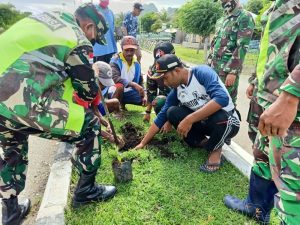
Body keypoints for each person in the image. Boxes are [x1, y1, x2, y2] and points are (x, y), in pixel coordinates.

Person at [0, 3, 117, 225]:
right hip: (17, 98)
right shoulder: (77, 38)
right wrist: (90, 72)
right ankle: (86, 191)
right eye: (95, 38)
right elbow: (88, 90)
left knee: (11, 148)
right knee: (90, 126)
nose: (92, 42)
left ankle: (11, 212)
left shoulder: (47, 20)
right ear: (89, 27)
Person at [224, 1, 300, 224]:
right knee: (263, 155)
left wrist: (291, 94)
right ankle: (256, 207)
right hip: (272, 95)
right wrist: (258, 80)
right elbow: (276, 45)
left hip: (291, 103)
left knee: (293, 181)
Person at [135, 54, 240, 173]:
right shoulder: (177, 89)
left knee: (219, 117)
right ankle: (204, 143)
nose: (164, 83)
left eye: (165, 78)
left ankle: (215, 149)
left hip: (228, 120)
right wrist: (143, 143)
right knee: (172, 112)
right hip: (204, 122)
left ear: (177, 70)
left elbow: (222, 99)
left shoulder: (201, 72)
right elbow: (161, 116)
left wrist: (189, 119)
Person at [208, 0, 255, 106]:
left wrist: (233, 72)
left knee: (226, 103)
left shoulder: (244, 17)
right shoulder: (222, 19)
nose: (223, 2)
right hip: (213, 68)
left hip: (226, 71)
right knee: (210, 101)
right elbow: (216, 44)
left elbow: (242, 46)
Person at [109, 36, 146, 109]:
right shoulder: (115, 60)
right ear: (122, 48)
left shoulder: (136, 63)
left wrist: (145, 93)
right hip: (114, 91)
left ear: (135, 50)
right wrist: (133, 84)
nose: (129, 53)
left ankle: (122, 103)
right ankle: (116, 109)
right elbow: (114, 78)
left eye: (132, 50)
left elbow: (141, 81)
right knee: (120, 86)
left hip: (129, 92)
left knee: (147, 100)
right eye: (126, 50)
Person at [143, 42, 173, 123]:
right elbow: (151, 92)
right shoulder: (153, 70)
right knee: (158, 101)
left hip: (182, 102)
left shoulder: (179, 70)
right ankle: (164, 120)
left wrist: (170, 122)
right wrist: (148, 112)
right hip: (166, 99)